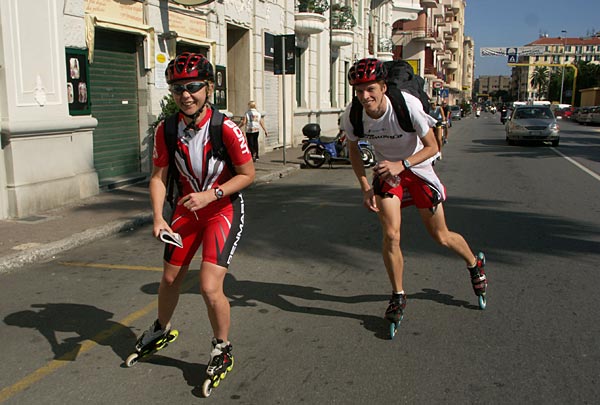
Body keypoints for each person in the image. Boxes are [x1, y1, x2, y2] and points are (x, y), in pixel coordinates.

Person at [340, 58, 487, 325]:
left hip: (418, 168)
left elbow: (433, 147)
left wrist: (402, 164)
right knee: (391, 235)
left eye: (370, 89)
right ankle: (397, 295)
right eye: (359, 90)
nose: (365, 96)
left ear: (383, 87)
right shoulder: (353, 113)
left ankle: (474, 263)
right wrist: (364, 187)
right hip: (388, 173)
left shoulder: (407, 106)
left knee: (440, 236)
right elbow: (353, 150)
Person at [137, 52, 255, 379]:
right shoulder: (167, 128)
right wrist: (159, 218)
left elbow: (247, 175)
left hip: (222, 210)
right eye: (177, 89)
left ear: (209, 88)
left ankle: (222, 347)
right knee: (171, 278)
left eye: (192, 87)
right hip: (185, 212)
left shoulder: (226, 128)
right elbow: (159, 177)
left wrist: (212, 194)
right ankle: (161, 328)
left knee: (208, 286)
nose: (185, 95)